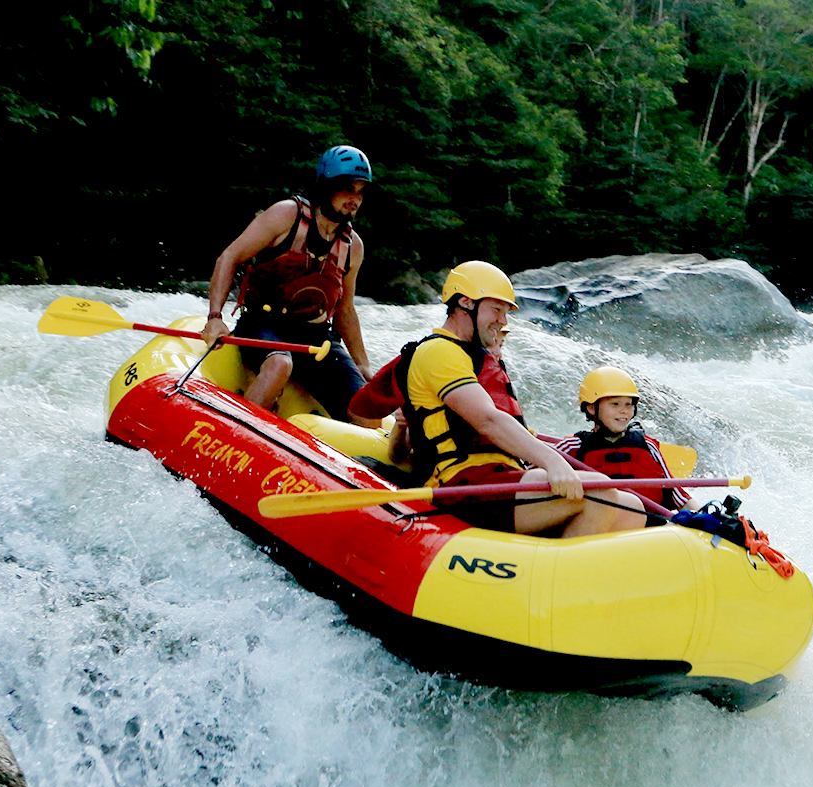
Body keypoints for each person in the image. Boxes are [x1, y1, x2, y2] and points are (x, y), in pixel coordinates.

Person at [401, 261, 646, 536]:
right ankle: (556, 573)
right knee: (599, 489)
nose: (503, 322)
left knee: (631, 507)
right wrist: (553, 462)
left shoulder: (474, 357)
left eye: (505, 313)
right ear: (466, 302)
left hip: (497, 478)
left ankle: (555, 560)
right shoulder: (439, 351)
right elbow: (487, 420)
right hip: (460, 483)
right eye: (496, 309)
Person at [203, 145, 376, 421]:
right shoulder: (286, 215)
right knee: (279, 364)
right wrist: (214, 317)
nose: (355, 198)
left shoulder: (353, 246)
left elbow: (345, 310)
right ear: (326, 186)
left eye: (360, 191)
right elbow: (229, 258)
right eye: (347, 189)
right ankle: (237, 430)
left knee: (366, 412)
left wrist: (363, 364)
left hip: (316, 338)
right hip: (263, 323)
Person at [556, 367, 691, 511]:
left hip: (653, 526)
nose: (624, 411)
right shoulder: (572, 447)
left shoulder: (647, 445)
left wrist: (706, 519)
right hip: (600, 526)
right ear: (591, 408)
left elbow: (680, 497)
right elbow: (531, 476)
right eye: (615, 404)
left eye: (629, 404)